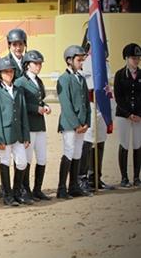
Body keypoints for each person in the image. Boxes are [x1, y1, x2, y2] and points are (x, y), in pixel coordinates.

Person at [0, 56, 30, 207]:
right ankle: (7, 194)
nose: (9, 74)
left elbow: (23, 113)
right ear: (0, 74)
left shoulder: (19, 90)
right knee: (5, 161)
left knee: (22, 162)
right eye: (6, 72)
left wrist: (26, 134)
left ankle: (17, 191)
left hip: (18, 133)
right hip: (4, 134)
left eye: (11, 71)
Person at [14, 50, 52, 201]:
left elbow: (40, 99)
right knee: (27, 159)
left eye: (40, 64)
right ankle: (25, 189)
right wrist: (36, 108)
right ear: (27, 65)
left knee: (42, 158)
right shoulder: (20, 82)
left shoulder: (39, 81)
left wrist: (45, 106)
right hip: (28, 125)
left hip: (40, 124)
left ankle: (37, 189)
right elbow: (20, 104)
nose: (38, 66)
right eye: (35, 63)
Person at [56, 45, 92, 199]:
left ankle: (73, 185)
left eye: (82, 60)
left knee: (78, 152)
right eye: (79, 60)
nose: (81, 63)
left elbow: (86, 102)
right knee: (69, 151)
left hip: (81, 124)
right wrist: (76, 124)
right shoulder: (64, 79)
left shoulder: (81, 78)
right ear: (69, 60)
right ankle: (61, 187)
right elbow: (66, 104)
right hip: (69, 124)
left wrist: (87, 122)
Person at [79, 52, 114, 191]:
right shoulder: (88, 61)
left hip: (103, 105)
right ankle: (83, 178)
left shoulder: (104, 61)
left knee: (100, 140)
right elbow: (88, 83)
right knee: (88, 142)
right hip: (91, 103)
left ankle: (96, 177)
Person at [114, 43, 141, 187]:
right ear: (126, 58)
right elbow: (118, 96)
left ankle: (136, 177)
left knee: (138, 144)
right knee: (124, 144)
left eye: (138, 58)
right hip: (123, 115)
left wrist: (138, 114)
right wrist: (128, 114)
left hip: (139, 116)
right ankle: (124, 177)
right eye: (133, 58)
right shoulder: (120, 75)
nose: (136, 61)